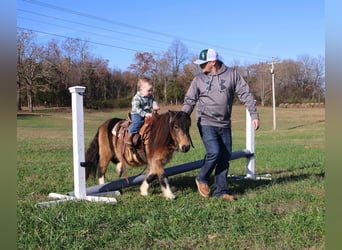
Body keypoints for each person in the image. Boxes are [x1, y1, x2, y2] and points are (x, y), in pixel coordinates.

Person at [182, 48, 260, 201]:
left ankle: (221, 191)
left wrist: (254, 114)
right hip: (205, 121)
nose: (200, 66)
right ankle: (202, 177)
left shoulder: (232, 74)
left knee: (224, 156)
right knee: (215, 152)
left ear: (213, 62)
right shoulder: (199, 79)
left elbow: (245, 93)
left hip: (224, 123)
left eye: (203, 63)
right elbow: (190, 100)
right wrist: (183, 118)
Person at [125, 76, 160, 145]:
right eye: (148, 90)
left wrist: (155, 105)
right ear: (141, 89)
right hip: (137, 114)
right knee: (138, 122)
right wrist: (145, 114)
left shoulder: (150, 96)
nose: (150, 92)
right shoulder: (137, 98)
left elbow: (153, 101)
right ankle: (129, 135)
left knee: (158, 120)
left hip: (148, 113)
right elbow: (137, 108)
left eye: (151, 90)